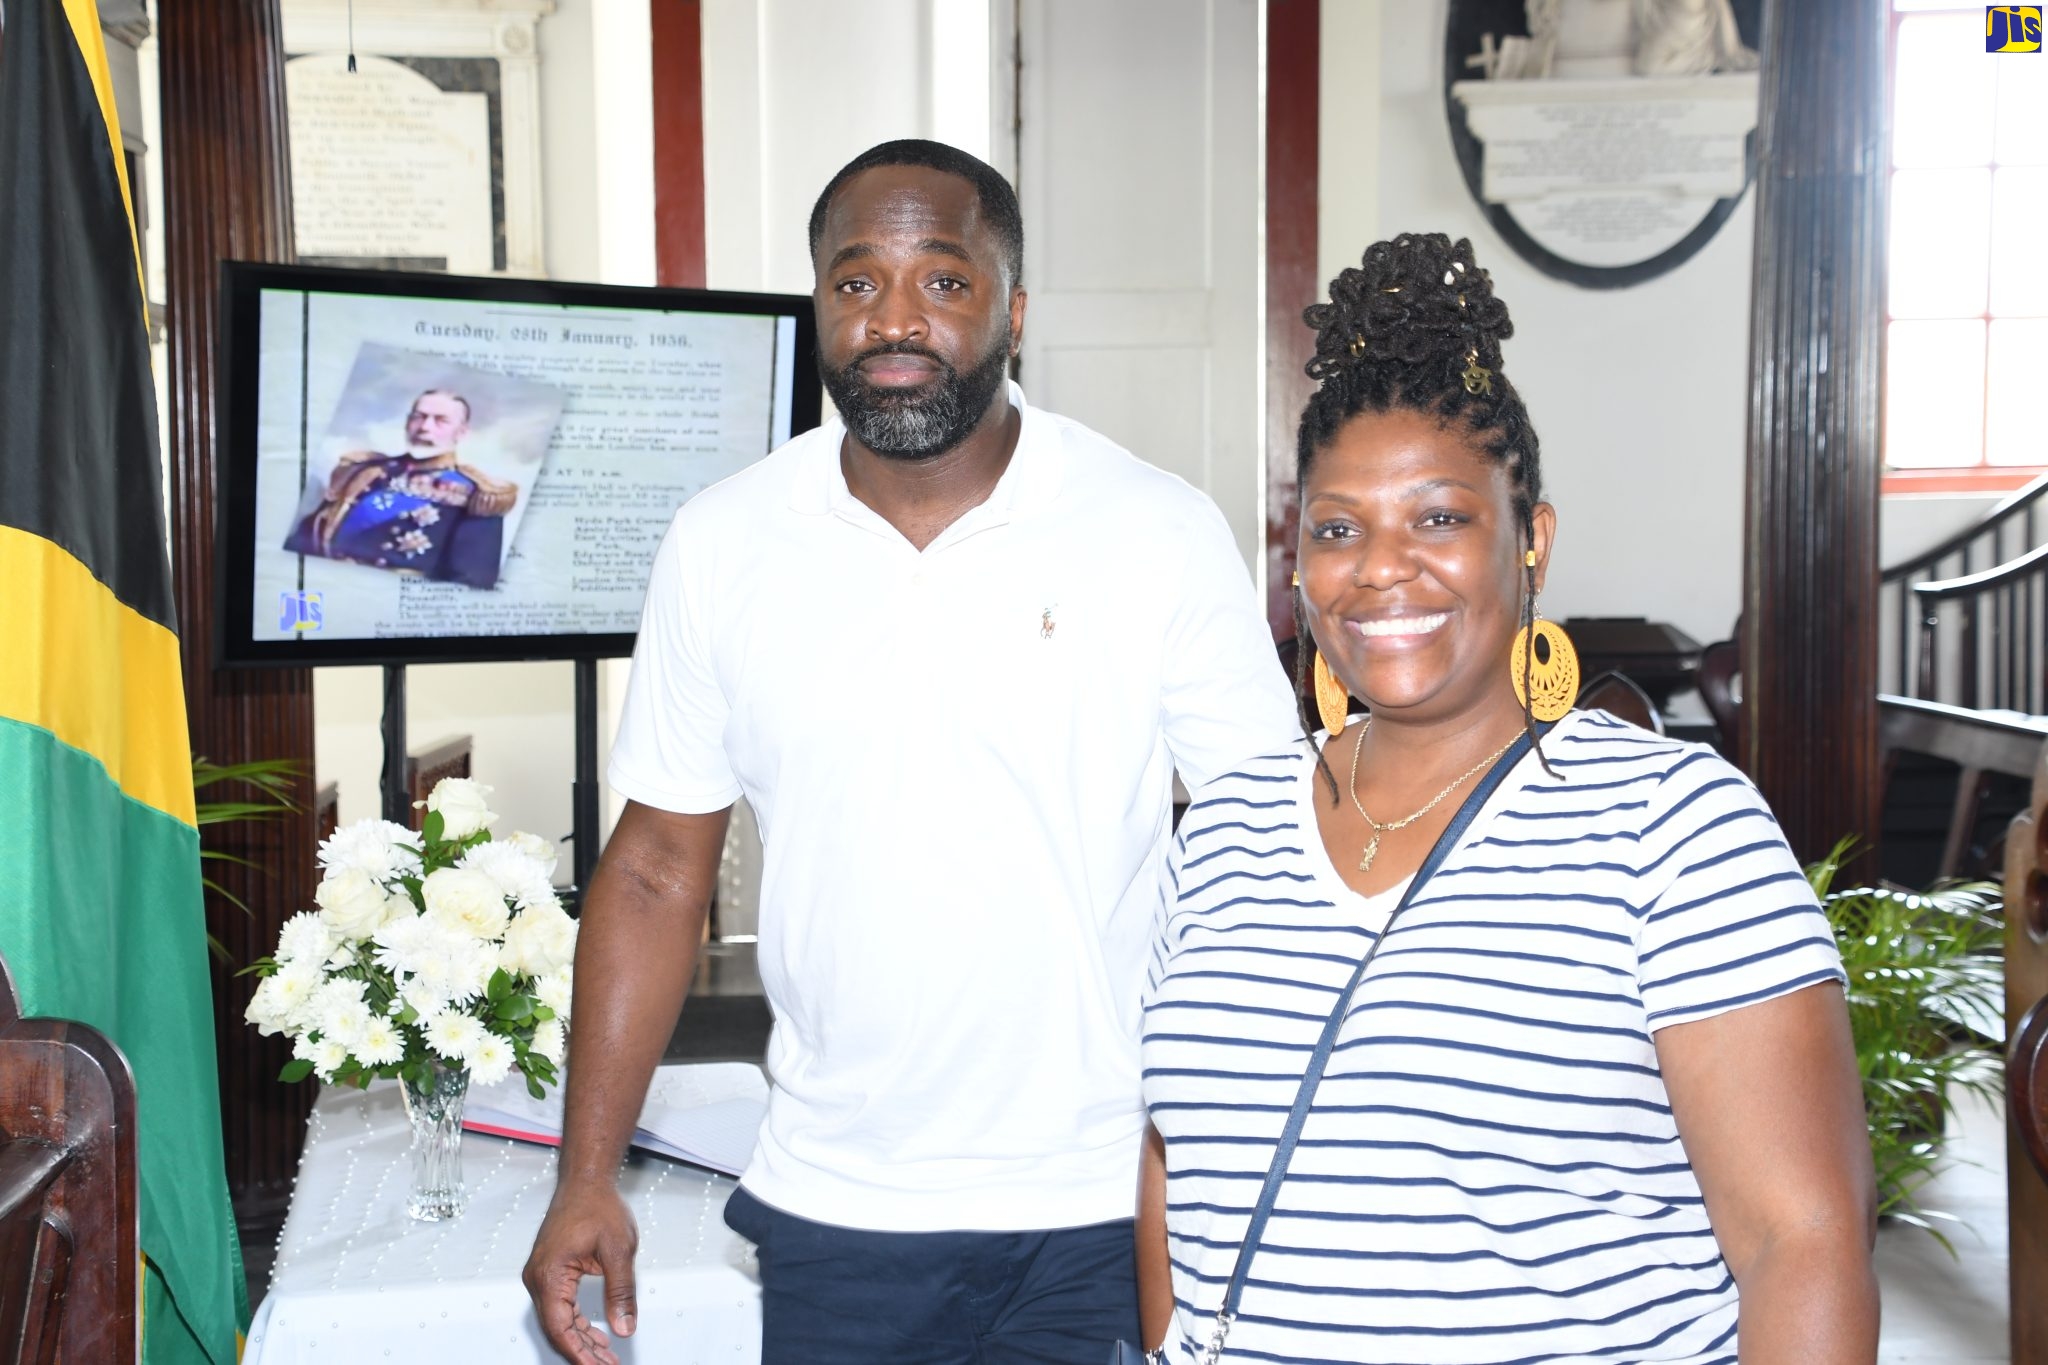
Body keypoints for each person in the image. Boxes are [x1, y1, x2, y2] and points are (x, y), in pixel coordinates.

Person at [523, 139, 1299, 1364]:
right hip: (840, 1205)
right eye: (853, 282)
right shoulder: (724, 542)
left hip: (1104, 1197)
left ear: (1012, 310)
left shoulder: (1152, 528)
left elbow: (1273, 851)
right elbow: (656, 870)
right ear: (816, 306)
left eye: (941, 281)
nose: (893, 319)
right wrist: (583, 1176)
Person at [1135, 233, 1878, 1363]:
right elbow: (1172, 1164)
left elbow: (1800, 1242)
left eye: (1438, 518)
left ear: (1529, 539)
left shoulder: (1673, 831)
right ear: (1296, 563)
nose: (1381, 568)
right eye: (1337, 528)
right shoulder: (1225, 833)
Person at [283, 388, 516, 588]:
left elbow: (471, 579)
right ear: (407, 422)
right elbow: (306, 539)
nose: (425, 427)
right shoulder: (362, 471)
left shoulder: (477, 494)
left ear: (462, 432)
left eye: (440, 420)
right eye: (418, 417)